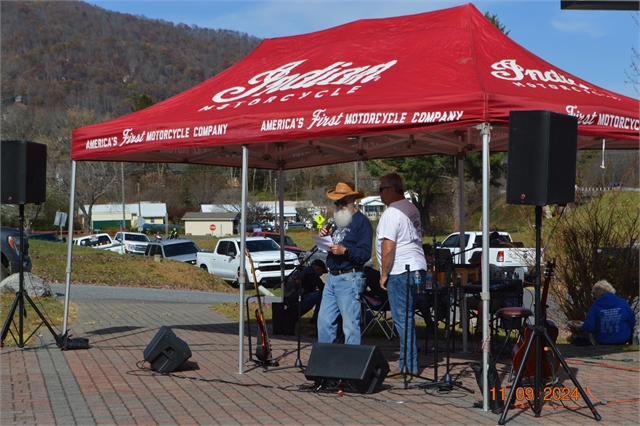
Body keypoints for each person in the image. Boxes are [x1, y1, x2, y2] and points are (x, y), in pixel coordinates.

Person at [376, 173, 426, 377]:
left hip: (400, 270)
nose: (379, 194)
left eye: (380, 190)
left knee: (402, 318)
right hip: (417, 267)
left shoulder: (392, 212)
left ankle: (409, 365)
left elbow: (388, 246)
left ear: (390, 189)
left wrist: (384, 273)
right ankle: (407, 362)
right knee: (408, 318)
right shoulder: (411, 208)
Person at [317, 182, 373, 345]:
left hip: (350, 278)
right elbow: (328, 249)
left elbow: (364, 254)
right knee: (325, 322)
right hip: (332, 277)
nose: (339, 206)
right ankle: (326, 361)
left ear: (352, 200)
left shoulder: (362, 222)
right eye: (337, 202)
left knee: (350, 325)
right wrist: (324, 238)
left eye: (343, 202)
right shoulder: (335, 222)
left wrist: (345, 251)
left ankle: (351, 364)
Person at [569, 280, 636, 345]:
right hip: (623, 339)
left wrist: (580, 326)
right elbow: (632, 322)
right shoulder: (622, 302)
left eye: (594, 297)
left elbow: (589, 327)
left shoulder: (596, 306)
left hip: (602, 340)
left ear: (598, 295)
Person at [284, 259, 327, 323]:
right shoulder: (311, 274)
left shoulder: (302, 271)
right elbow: (323, 288)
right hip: (296, 304)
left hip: (288, 303)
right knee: (320, 294)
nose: (321, 275)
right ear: (318, 268)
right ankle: (315, 319)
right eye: (322, 272)